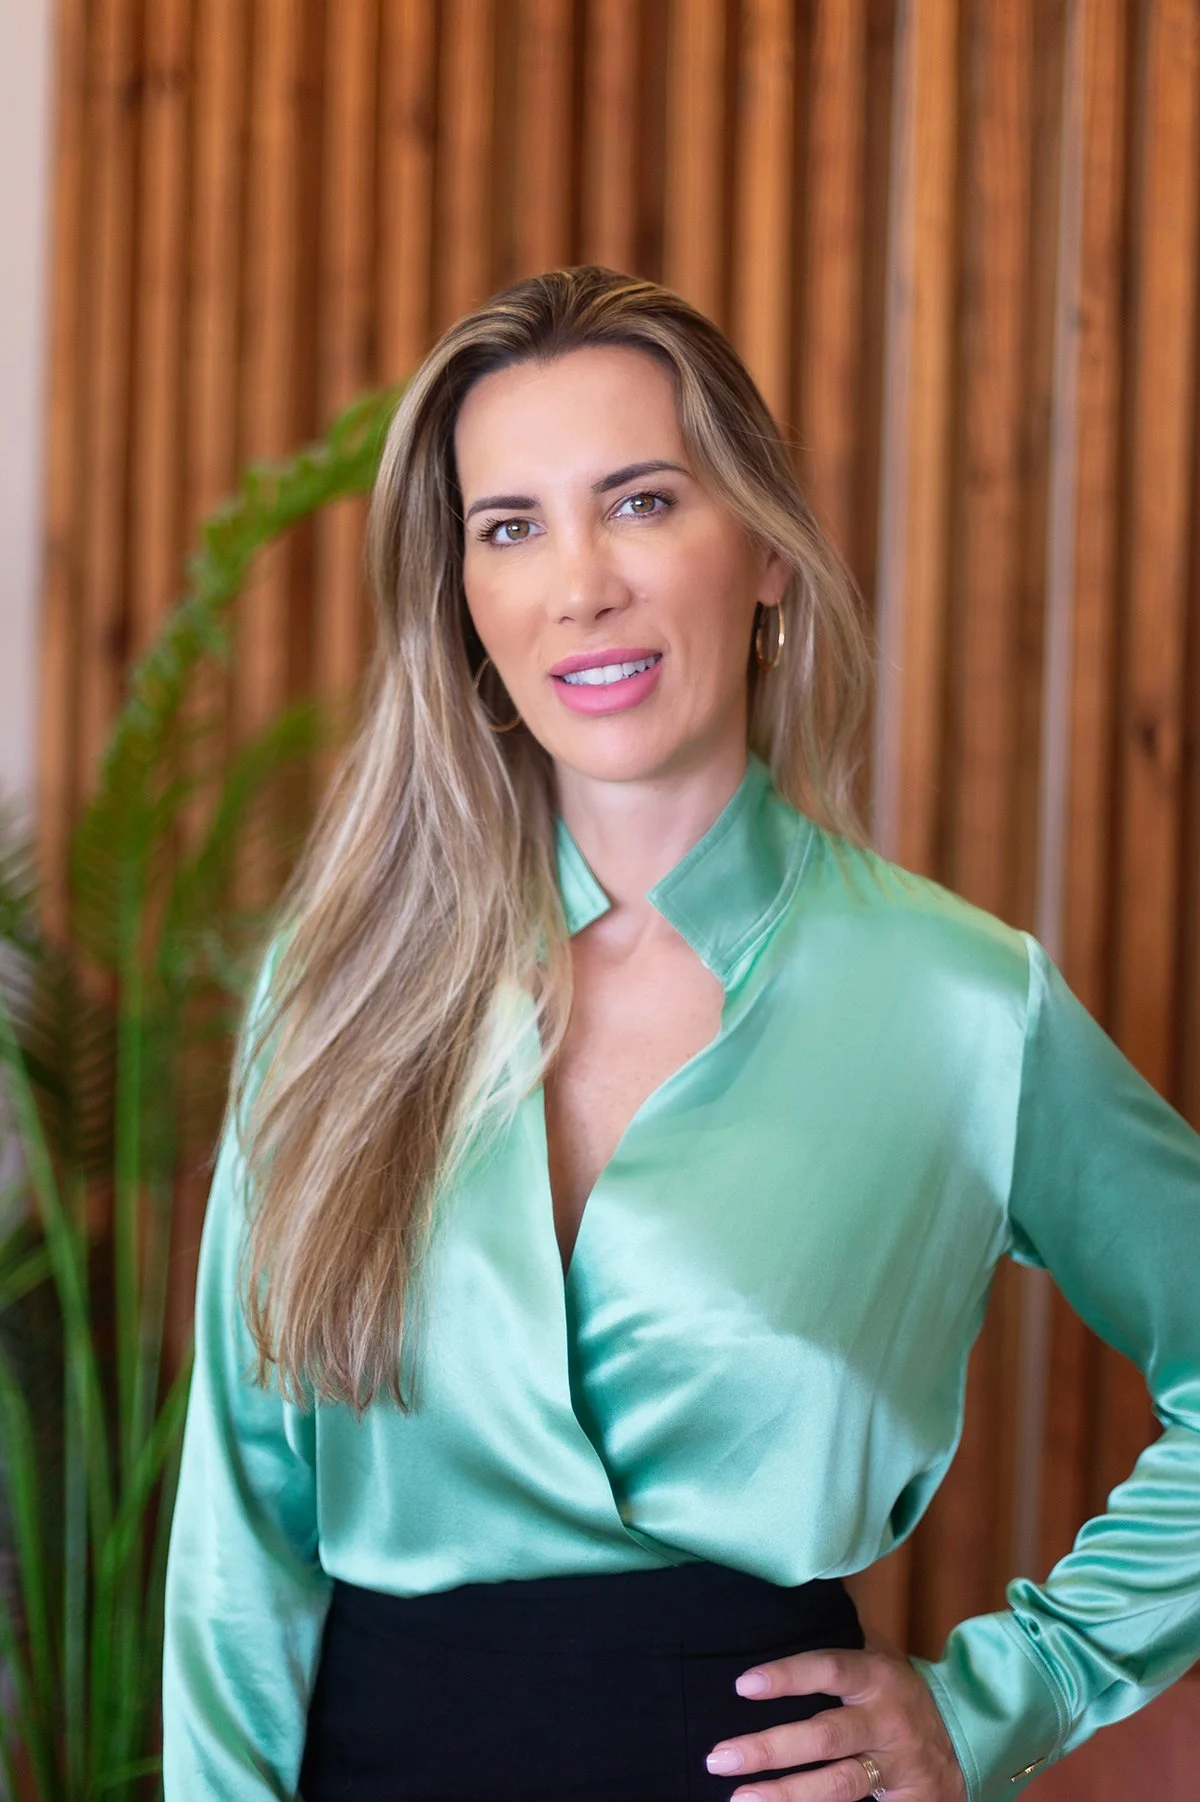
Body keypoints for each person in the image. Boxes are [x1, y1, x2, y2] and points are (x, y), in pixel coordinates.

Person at [161, 266, 1200, 1802]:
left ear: (765, 549)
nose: (581, 583)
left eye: (642, 502)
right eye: (511, 527)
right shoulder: (336, 990)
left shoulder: (965, 1003)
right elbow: (239, 1536)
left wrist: (1009, 1692)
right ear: (465, 599)